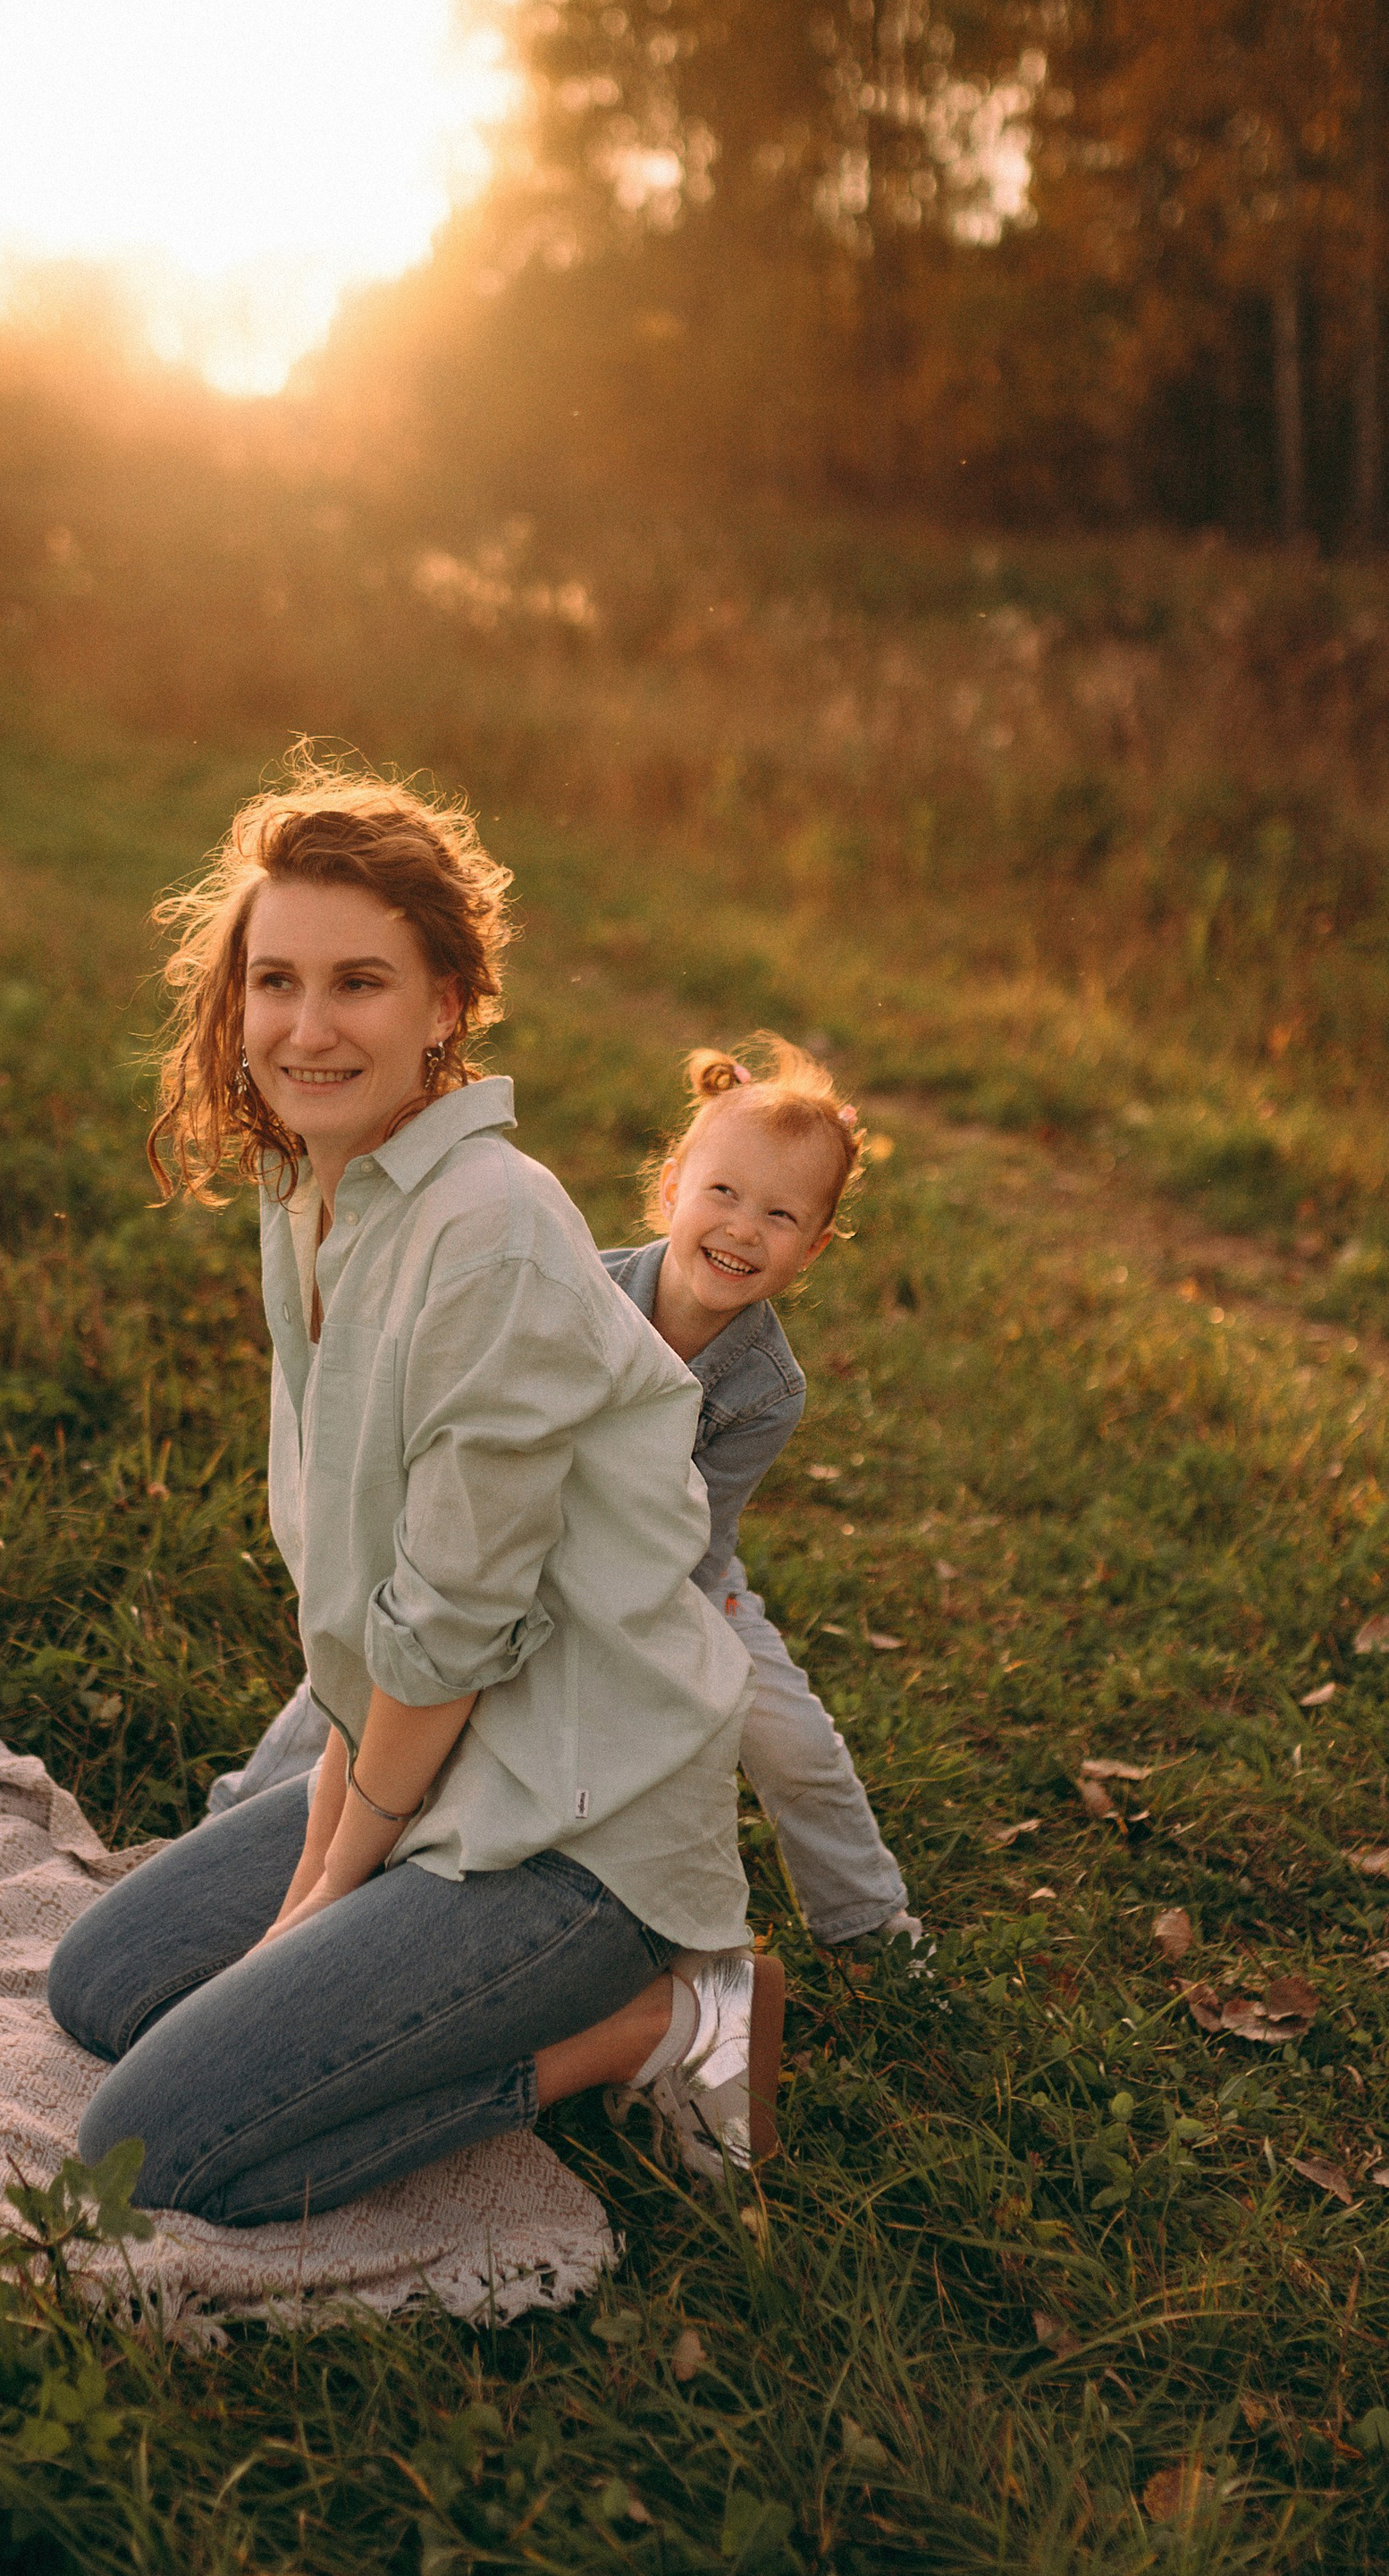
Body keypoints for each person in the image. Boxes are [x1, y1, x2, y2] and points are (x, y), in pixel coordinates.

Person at [46, 763, 784, 2220]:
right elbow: (379, 1616)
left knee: (146, 2152)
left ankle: (671, 2022)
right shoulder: (312, 1189)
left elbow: (446, 1632)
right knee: (102, 1984)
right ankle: (389, 1941)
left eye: (360, 983)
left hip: (577, 1816)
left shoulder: (491, 1231)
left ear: (445, 1003)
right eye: (276, 980)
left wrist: (323, 1895)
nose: (306, 1028)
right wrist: (329, 1834)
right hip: (431, 1745)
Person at [215, 1035, 922, 1957]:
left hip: (666, 1573)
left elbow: (693, 1541)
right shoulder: (577, 1285)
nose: (744, 1228)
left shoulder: (766, 1388)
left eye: (781, 1215)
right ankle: (229, 1818)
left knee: (787, 1731)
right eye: (723, 1194)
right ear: (671, 1187)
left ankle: (871, 1922)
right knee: (381, 1654)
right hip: (509, 1525)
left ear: (815, 1246)